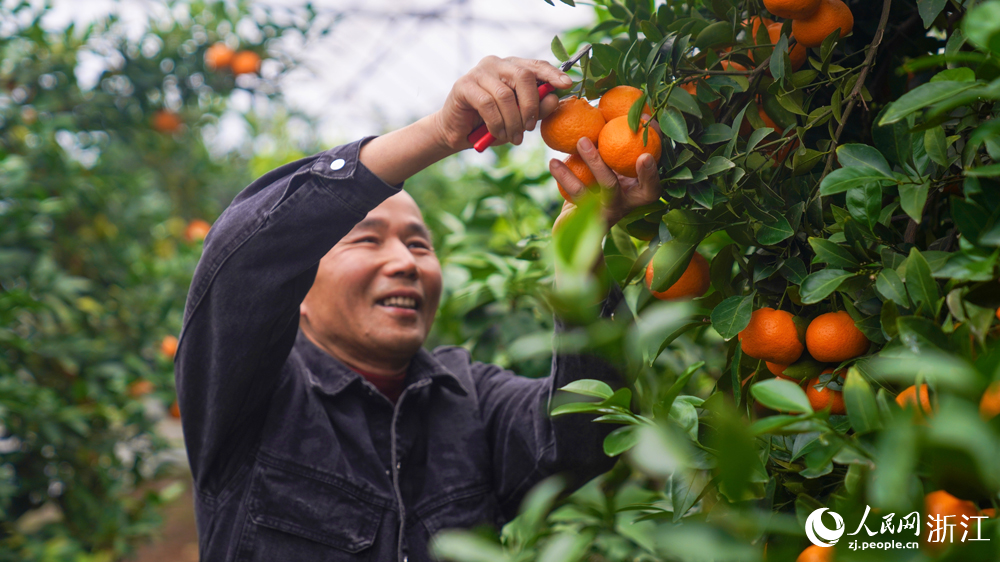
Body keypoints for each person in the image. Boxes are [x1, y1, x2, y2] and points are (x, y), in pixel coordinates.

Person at [174, 56, 662, 562]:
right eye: (367, 240)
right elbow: (244, 260)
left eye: (419, 245)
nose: (404, 262)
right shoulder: (251, 398)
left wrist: (578, 254)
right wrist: (441, 133)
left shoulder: (470, 401)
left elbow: (588, 430)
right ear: (298, 283)